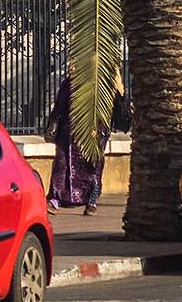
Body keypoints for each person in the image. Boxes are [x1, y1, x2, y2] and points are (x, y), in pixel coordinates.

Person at [45, 67, 126, 215]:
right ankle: (55, 199)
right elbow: (60, 106)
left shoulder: (105, 84)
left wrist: (119, 87)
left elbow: (117, 109)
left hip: (97, 130)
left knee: (93, 165)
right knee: (62, 164)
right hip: (69, 131)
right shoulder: (70, 83)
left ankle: (91, 200)